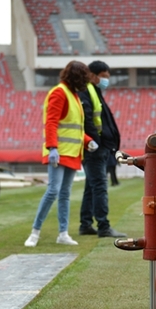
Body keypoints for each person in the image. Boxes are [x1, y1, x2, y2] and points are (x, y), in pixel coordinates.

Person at [25, 60, 94, 247]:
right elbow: (52, 122)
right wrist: (52, 148)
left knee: (64, 194)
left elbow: (75, 128)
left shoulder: (74, 96)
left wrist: (88, 141)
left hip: (72, 152)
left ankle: (63, 233)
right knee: (53, 191)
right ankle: (35, 232)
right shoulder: (60, 92)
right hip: (59, 152)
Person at [78, 61, 126, 238]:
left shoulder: (94, 91)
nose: (106, 80)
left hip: (98, 146)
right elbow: (88, 120)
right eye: (104, 76)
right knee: (99, 186)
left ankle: (85, 224)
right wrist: (97, 142)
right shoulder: (87, 92)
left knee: (91, 187)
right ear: (93, 75)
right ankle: (104, 226)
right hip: (95, 148)